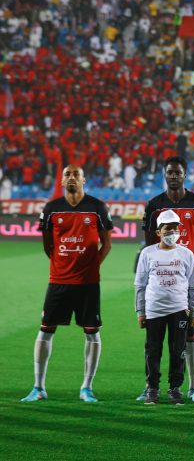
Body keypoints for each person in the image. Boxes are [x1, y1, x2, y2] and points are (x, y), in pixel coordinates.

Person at [22, 165, 113, 403]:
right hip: (59, 282)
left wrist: (92, 266)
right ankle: (38, 387)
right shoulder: (52, 209)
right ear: (62, 181)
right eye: (67, 174)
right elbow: (47, 245)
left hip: (88, 283)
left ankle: (86, 388)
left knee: (92, 333)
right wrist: (62, 266)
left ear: (84, 180)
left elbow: (107, 244)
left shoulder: (97, 207)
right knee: (45, 330)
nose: (71, 177)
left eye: (75, 174)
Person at [138, 156, 194, 403]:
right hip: (161, 276)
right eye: (169, 172)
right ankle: (152, 387)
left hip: (185, 276)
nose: (173, 176)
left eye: (177, 173)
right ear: (164, 174)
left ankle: (193, 386)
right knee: (154, 344)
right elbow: (150, 239)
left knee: (189, 333)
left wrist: (191, 262)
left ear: (185, 174)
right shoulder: (154, 205)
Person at [135, 209, 194, 405]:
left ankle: (175, 388)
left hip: (179, 310)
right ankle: (152, 388)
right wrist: (140, 311)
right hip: (154, 310)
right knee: (153, 351)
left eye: (175, 229)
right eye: (167, 229)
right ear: (158, 232)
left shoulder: (186, 254)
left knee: (178, 351)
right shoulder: (147, 253)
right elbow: (140, 284)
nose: (172, 233)